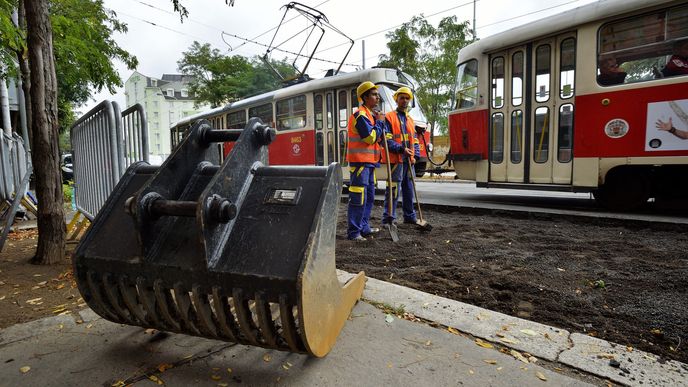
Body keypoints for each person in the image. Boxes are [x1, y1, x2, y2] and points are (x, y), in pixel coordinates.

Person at [346, 81, 385, 241]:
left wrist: (380, 123)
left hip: (369, 164)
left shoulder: (370, 115)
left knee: (368, 197)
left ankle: (364, 227)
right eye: (374, 94)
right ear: (365, 97)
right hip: (360, 164)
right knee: (358, 198)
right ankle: (354, 232)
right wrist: (380, 123)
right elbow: (370, 138)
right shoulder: (361, 116)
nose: (377, 97)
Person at [381, 86, 422, 227]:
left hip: (409, 161)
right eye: (402, 98)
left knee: (409, 189)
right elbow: (387, 140)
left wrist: (415, 155)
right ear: (396, 100)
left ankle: (409, 216)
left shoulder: (410, 120)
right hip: (396, 160)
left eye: (407, 98)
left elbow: (415, 140)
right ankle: (388, 219)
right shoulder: (389, 117)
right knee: (393, 190)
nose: (404, 100)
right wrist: (401, 149)